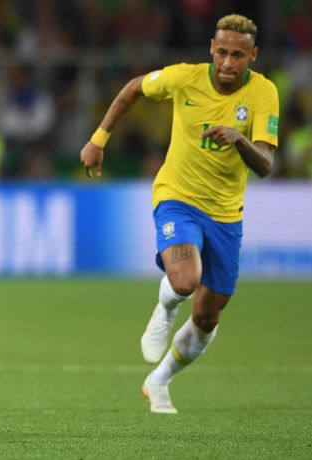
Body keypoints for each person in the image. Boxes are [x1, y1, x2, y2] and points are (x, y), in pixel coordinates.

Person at [80, 14, 278, 414]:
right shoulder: (184, 78)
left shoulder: (263, 92)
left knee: (208, 316)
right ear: (211, 48)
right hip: (177, 196)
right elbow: (133, 89)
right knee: (186, 280)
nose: (228, 62)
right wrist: (99, 139)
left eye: (238, 55)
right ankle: (166, 308)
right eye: (222, 52)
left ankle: (159, 381)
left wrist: (239, 139)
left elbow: (265, 164)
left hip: (226, 214)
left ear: (253, 55)